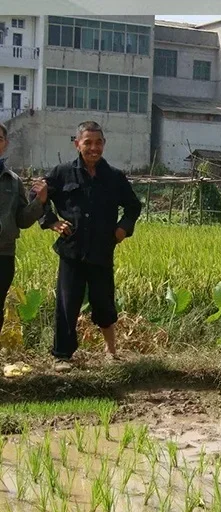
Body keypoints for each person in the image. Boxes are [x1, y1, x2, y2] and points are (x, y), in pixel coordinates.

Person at [40, 121, 141, 371]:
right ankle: (62, 356)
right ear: (77, 144)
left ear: (104, 144)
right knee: (67, 304)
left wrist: (122, 229)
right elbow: (37, 195)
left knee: (104, 301)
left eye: (98, 143)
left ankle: (110, 351)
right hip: (71, 250)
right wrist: (52, 222)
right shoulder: (62, 173)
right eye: (88, 143)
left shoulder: (114, 177)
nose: (93, 148)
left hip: (101, 250)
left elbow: (133, 206)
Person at [0, 122, 48, 335]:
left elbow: (22, 220)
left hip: (3, 253)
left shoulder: (13, 181)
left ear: (5, 144)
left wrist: (39, 201)